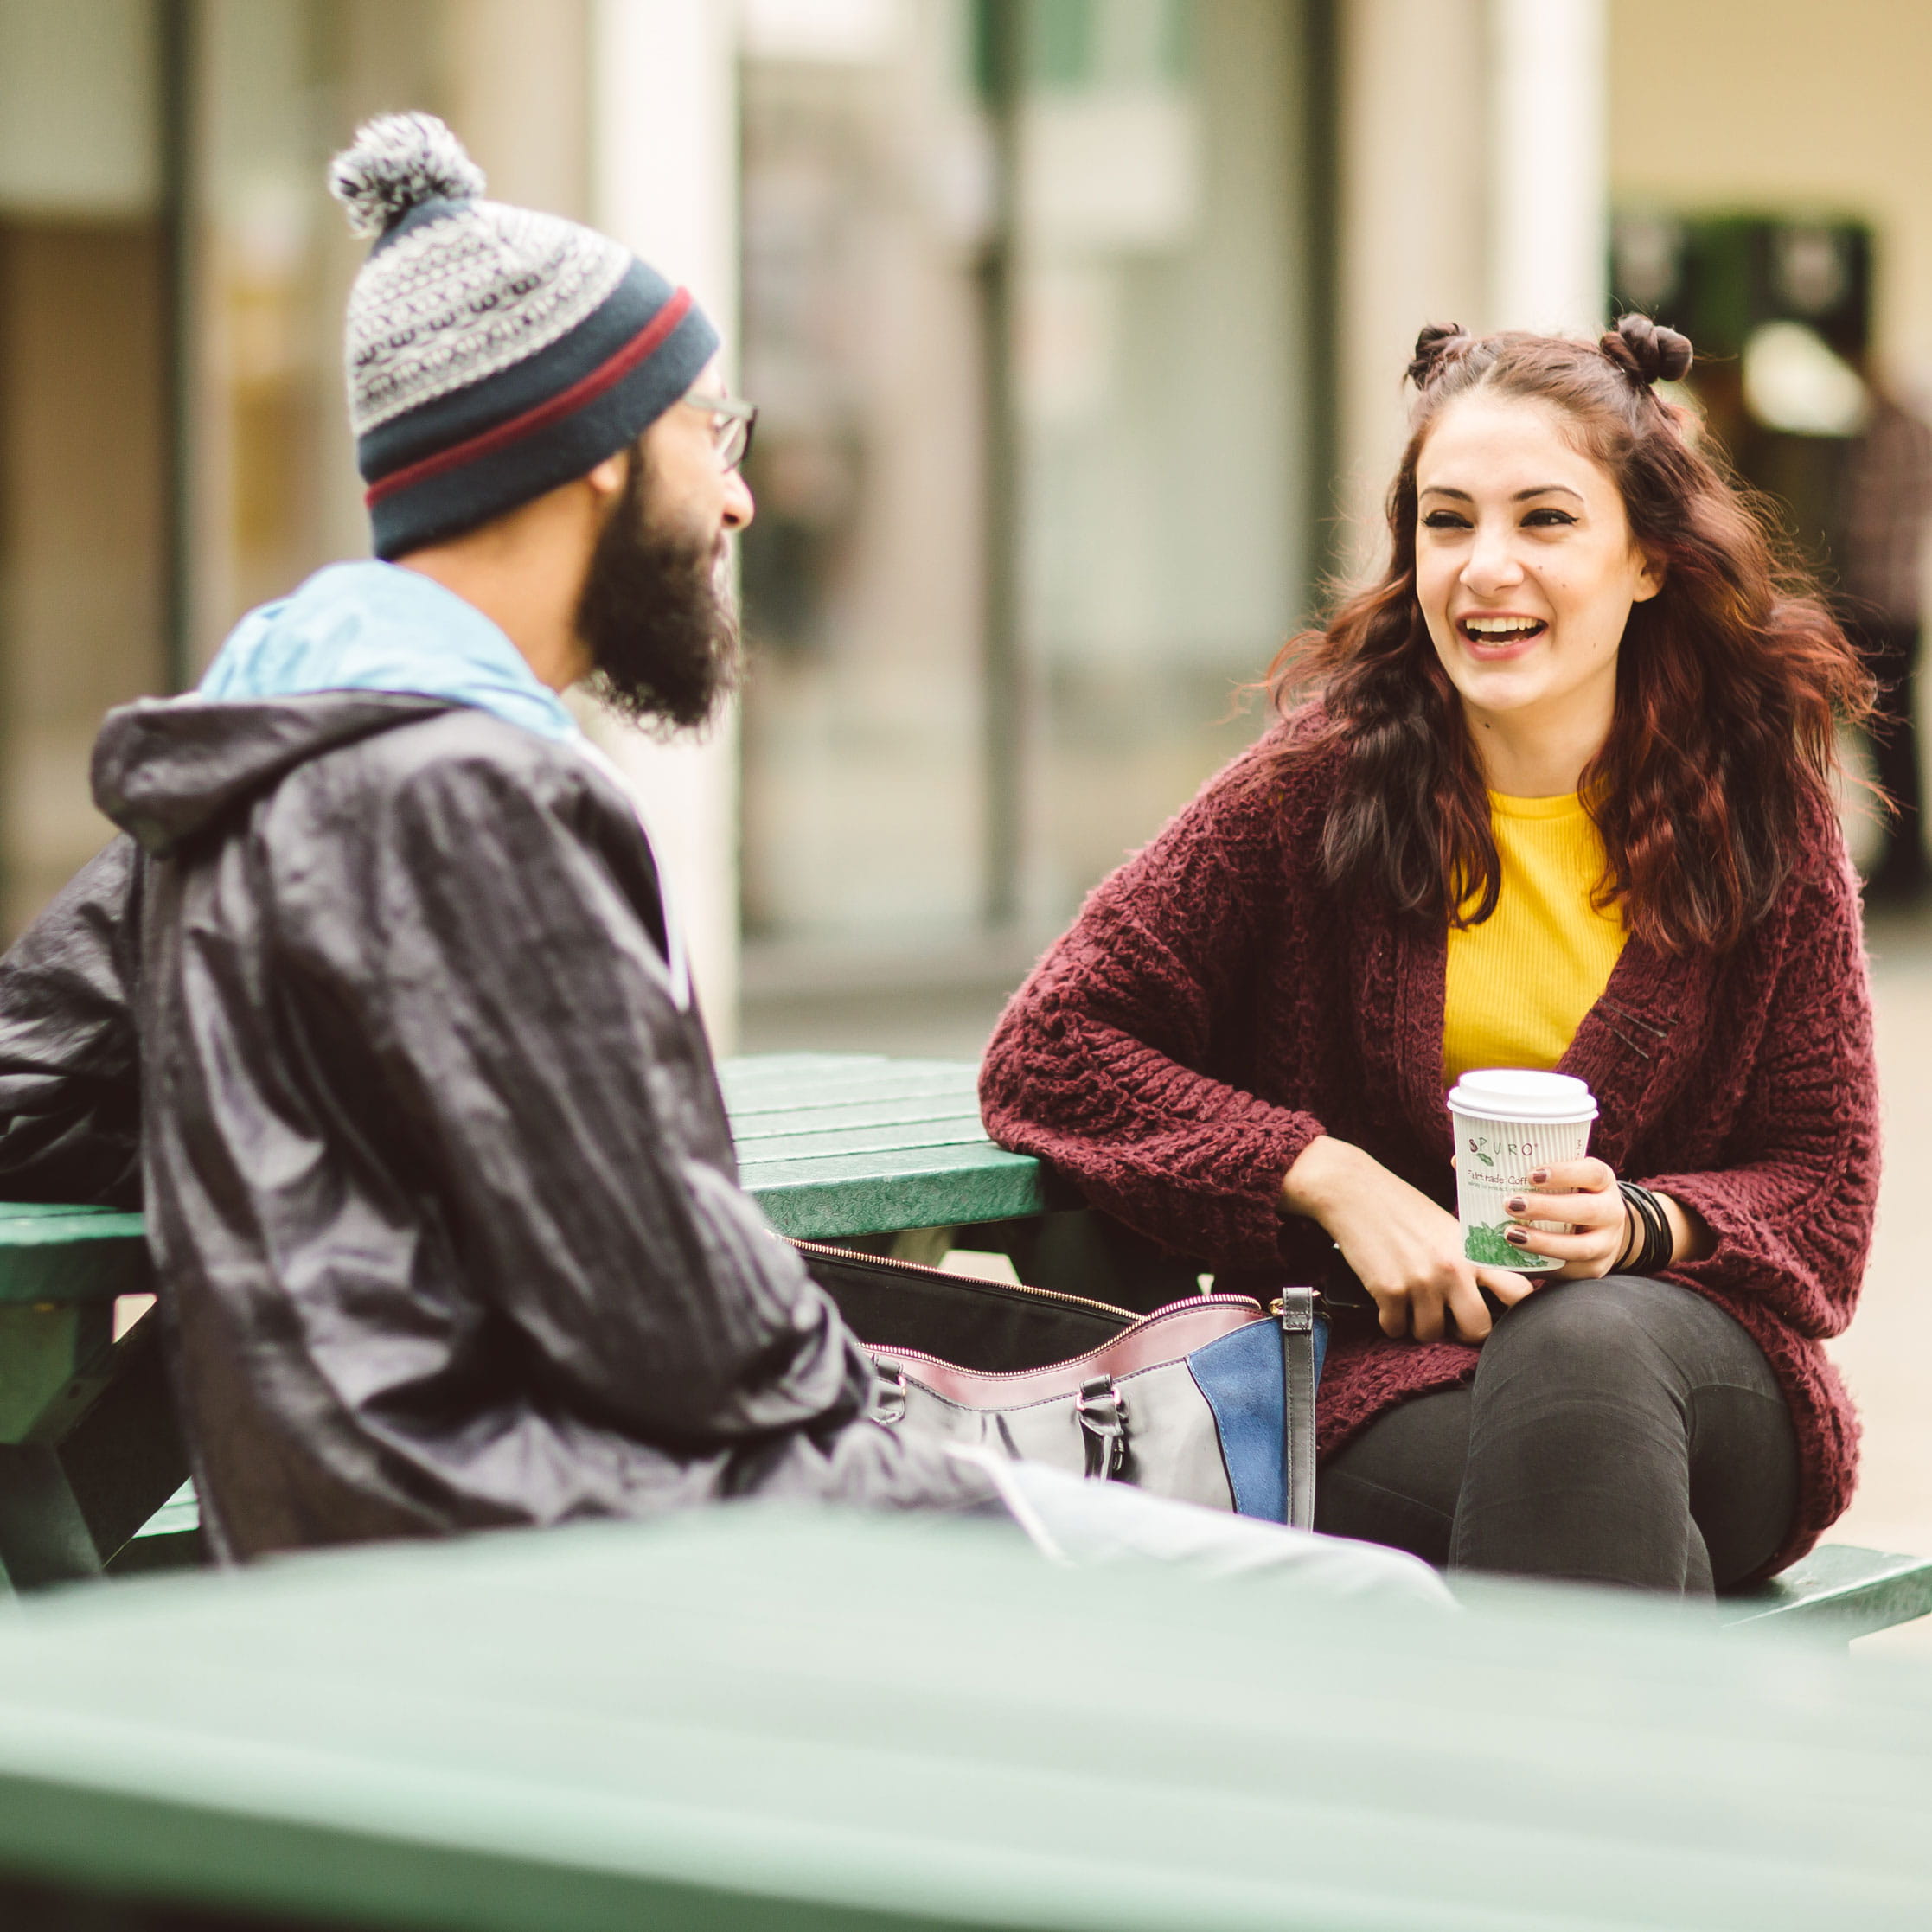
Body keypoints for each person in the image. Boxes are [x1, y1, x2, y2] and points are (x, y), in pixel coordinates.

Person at [0, 115, 1446, 1609]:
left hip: (367, 1533)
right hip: (609, 1544)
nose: (740, 498)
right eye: (709, 433)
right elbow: (675, 1313)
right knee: (1366, 1607)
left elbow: (29, 1087)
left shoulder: (247, 766)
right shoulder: (477, 797)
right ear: (588, 458)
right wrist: (906, 1415)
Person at [981, 316, 1879, 1596]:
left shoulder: (1759, 810)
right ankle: (1593, 1785)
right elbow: (1052, 1049)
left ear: (1646, 561)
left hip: (1699, 1370)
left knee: (1585, 1353)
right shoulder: (1318, 787)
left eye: (1545, 521)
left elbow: (1822, 1192)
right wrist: (1327, 1174)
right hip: (1387, 1377)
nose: (1483, 569)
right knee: (1615, 1536)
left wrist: (1635, 1223)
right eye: (1446, 522)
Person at [1835, 380, 1932, 901]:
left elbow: (1867, 528)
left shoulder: (1892, 434)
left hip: (1883, 609)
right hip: (1895, 607)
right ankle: (1904, 856)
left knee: (1890, 736)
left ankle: (1904, 860)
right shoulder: (1907, 429)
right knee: (1891, 736)